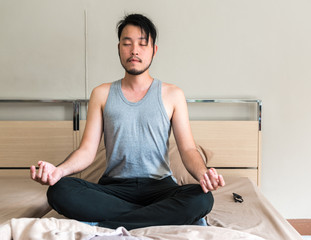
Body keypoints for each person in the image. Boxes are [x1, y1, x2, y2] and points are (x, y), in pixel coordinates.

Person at [30, 13, 225, 230]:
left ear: (154, 50)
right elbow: (86, 150)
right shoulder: (101, 94)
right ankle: (154, 218)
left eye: (142, 44)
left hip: (159, 189)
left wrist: (203, 174)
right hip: (114, 190)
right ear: (119, 48)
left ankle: (106, 224)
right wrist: (59, 171)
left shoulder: (173, 94)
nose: (134, 50)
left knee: (202, 199)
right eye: (127, 43)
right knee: (59, 191)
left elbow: (188, 149)